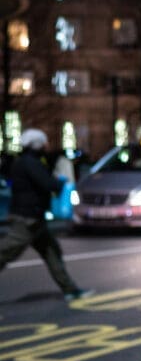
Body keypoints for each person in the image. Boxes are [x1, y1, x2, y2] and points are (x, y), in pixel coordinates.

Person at [0, 128, 90, 300]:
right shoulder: (31, 163)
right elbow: (48, 184)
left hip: (33, 217)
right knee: (6, 252)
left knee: (52, 252)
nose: (47, 145)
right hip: (29, 218)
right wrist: (59, 181)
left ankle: (70, 290)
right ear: (37, 144)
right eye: (44, 142)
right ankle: (70, 290)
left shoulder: (23, 161)